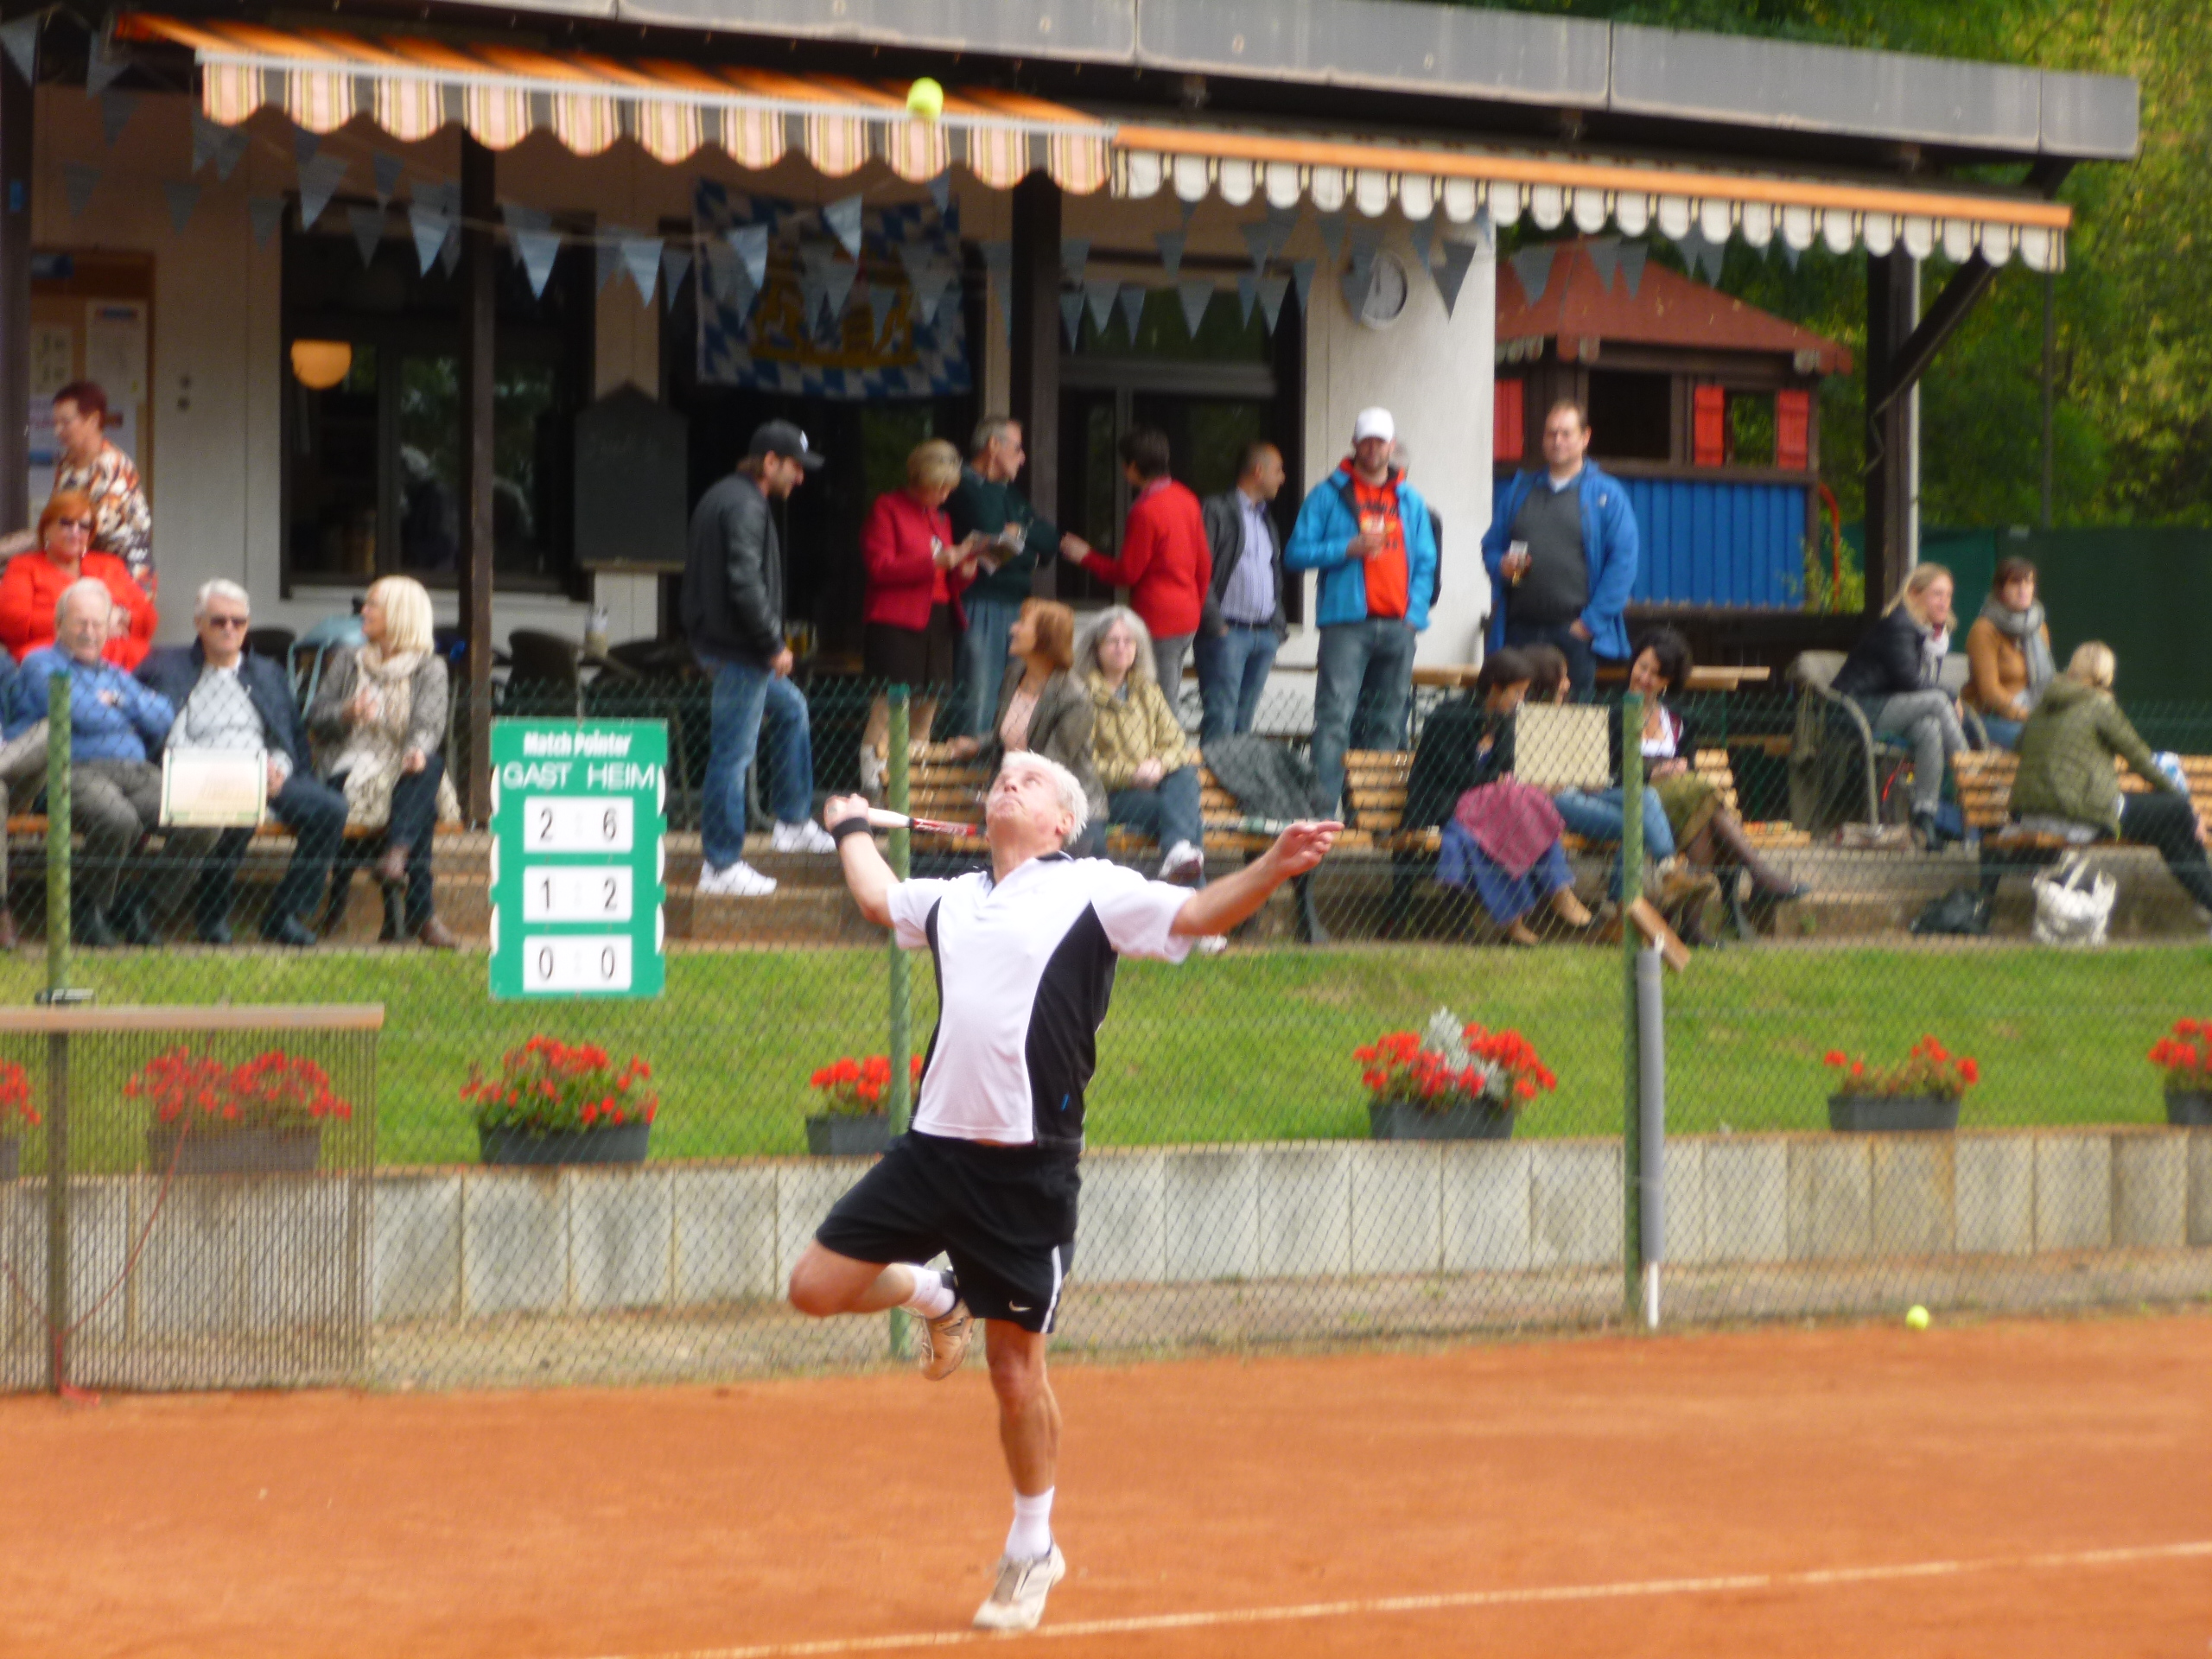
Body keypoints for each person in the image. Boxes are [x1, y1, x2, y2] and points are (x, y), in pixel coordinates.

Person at [790, 750, 1339, 1633]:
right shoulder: (956, 897)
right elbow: (877, 898)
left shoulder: (1094, 888)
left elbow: (1198, 912)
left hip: (1026, 1172)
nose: (1009, 782)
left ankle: (1032, 1545)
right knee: (814, 1287)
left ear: (1060, 823)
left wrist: (1273, 866)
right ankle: (938, 1297)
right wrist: (851, 827)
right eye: (1002, 777)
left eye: (1032, 780)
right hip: (931, 1153)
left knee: (1015, 1373)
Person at [137, 579, 347, 947]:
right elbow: (170, 738)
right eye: (219, 621)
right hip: (202, 775)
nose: (229, 628)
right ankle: (212, 914)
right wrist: (233, 773)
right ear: (199, 623)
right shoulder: (171, 669)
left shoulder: (266, 673)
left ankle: (284, 914)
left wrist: (278, 768)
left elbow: (284, 734)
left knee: (330, 809)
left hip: (266, 774)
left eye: (239, 621)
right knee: (237, 807)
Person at [680, 419, 838, 899]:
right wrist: (773, 644)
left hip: (723, 644)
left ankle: (791, 823)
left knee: (792, 710)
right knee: (732, 755)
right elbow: (745, 582)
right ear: (770, 462)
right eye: (795, 467)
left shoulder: (724, 495)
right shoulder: (746, 505)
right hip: (740, 651)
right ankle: (721, 865)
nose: (801, 478)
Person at [1286, 407, 1439, 819]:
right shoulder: (1327, 494)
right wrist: (1345, 548)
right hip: (1345, 626)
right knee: (1334, 720)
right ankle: (1320, 820)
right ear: (1355, 444)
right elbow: (1295, 553)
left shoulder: (1410, 499)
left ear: (1392, 446)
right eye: (1366, 440)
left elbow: (1426, 563)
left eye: (1380, 441)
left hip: (1398, 627)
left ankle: (1371, 819)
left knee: (1388, 724)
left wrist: (1414, 616)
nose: (1373, 448)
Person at [7, 580, 173, 945]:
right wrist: (128, 714)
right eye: (80, 622)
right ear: (59, 624)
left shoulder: (114, 675)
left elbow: (163, 716)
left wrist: (121, 703)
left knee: (198, 818)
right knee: (118, 820)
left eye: (98, 624)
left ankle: (138, 905)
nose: (90, 632)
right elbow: (79, 713)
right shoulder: (40, 663)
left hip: (135, 773)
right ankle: (88, 907)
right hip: (72, 771)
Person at [1612, 627, 1808, 937]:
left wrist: (1679, 766)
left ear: (1667, 681)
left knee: (1701, 820)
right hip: (1637, 802)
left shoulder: (1677, 720)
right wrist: (1651, 773)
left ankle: (1693, 926)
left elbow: (1689, 767)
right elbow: (1607, 773)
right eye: (1642, 667)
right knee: (1702, 797)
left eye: (1656, 673)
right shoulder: (1613, 713)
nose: (1645, 677)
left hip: (1681, 804)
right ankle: (1758, 876)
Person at [308, 575, 459, 950]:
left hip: (403, 766)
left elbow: (429, 725)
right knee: (421, 806)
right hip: (349, 767)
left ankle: (396, 858)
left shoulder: (429, 668)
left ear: (399, 614)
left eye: (373, 604)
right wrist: (348, 711)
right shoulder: (349, 660)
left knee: (428, 764)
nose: (364, 611)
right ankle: (419, 906)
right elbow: (316, 717)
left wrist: (416, 749)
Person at [2012, 642, 2212, 920]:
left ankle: (2209, 902)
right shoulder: (2099, 706)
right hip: (2078, 816)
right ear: (2108, 675)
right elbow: (2141, 759)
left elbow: (2019, 746)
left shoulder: (2044, 706)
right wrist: (2188, 808)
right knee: (2176, 810)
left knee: (2166, 832)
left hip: (2032, 816)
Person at [1481, 399, 1639, 702]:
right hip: (1519, 632)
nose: (1557, 441)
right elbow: (1491, 546)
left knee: (1573, 724)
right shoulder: (1519, 491)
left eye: (1566, 433)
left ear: (1585, 437)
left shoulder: (1607, 494)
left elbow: (1623, 564)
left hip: (1575, 635)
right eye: (1551, 433)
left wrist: (1589, 625)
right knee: (1514, 720)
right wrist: (1500, 565)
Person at [1432, 649, 1592, 945]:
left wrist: (1497, 781)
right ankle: (1545, 899)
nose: (1521, 700)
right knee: (1505, 818)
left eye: (1524, 693)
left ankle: (1539, 904)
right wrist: (1495, 781)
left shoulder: (1503, 719)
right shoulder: (1450, 715)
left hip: (1489, 806)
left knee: (1522, 811)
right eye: (1517, 693)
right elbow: (1451, 772)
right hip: (1446, 804)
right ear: (1495, 688)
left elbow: (1505, 767)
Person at [946, 418, 1092, 738]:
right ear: (993, 445)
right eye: (1017, 448)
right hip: (980, 604)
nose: (1023, 458)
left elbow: (1051, 539)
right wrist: (1026, 553)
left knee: (1011, 696)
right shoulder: (963, 487)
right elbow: (989, 536)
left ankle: (1001, 764)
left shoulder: (1010, 494)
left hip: (1017, 608)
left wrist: (1019, 533)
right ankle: (970, 766)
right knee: (978, 698)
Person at [858, 437, 981, 796]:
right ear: (919, 480)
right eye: (938, 487)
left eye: (949, 489)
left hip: (939, 619)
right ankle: (873, 786)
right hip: (896, 622)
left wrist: (965, 569)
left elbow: (946, 576)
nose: (945, 495)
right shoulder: (887, 508)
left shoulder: (940, 517)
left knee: (928, 706)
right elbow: (879, 568)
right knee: (887, 707)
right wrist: (934, 561)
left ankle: (912, 789)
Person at [947, 600, 1104, 849]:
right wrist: (977, 744)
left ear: (1045, 637)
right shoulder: (1014, 674)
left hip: (1065, 808)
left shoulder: (1075, 696)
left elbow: (1053, 764)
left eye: (1022, 624)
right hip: (1019, 797)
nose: (1013, 629)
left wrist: (1005, 794)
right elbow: (1010, 733)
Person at [1831, 563, 1969, 847]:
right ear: (1915, 594)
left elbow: (1913, 684)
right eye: (1937, 594)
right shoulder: (1900, 625)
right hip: (1858, 709)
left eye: (1948, 595)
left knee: (1929, 728)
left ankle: (1924, 820)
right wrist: (1952, 695)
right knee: (1938, 700)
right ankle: (1972, 775)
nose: (1945, 602)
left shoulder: (1930, 635)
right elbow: (1910, 680)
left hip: (1888, 704)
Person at [1071, 425, 1211, 703]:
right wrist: (1195, 605)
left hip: (1157, 620)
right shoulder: (1187, 498)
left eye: (1124, 464)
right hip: (1187, 616)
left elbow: (1128, 573)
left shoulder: (1146, 510)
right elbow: (1204, 564)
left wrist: (1086, 556)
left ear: (1133, 466)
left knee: (1158, 703)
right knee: (1160, 695)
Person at [1076, 607, 1205, 883]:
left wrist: (1158, 764)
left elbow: (1176, 743)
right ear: (1096, 648)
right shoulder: (1082, 695)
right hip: (1106, 795)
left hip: (1153, 785)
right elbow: (1083, 763)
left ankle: (1179, 858)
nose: (1121, 647)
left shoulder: (1147, 690)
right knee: (1185, 817)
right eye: (1112, 641)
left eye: (1129, 641)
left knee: (1184, 774)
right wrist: (1132, 774)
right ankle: (1193, 897)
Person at [1195, 440, 1287, 744]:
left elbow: (1273, 574)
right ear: (1258, 471)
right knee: (1221, 720)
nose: (1282, 478)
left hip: (1263, 635)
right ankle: (1212, 778)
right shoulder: (1217, 510)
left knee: (1243, 724)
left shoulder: (1265, 518)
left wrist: (1276, 628)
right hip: (1227, 633)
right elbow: (1198, 571)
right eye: (1278, 470)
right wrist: (1216, 626)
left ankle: (1234, 778)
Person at [0, 490, 156, 667]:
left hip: (127, 662)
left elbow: (148, 618)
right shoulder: (23, 566)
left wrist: (125, 617)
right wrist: (100, 623)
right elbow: (13, 628)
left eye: (84, 526)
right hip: (56, 664)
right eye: (66, 523)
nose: (75, 532)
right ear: (46, 528)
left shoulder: (110, 564)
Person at [50, 380, 154, 594]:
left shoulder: (113, 466)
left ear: (93, 420)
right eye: (55, 423)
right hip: (78, 565)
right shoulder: (66, 463)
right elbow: (54, 519)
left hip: (123, 575)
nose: (57, 431)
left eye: (66, 422)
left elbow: (87, 533)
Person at [1963, 556, 2056, 752]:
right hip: (1988, 716)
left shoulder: (2038, 626)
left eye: (2029, 582)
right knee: (2042, 743)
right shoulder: (1984, 629)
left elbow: (2047, 680)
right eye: (2015, 583)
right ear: (2000, 590)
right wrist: (2027, 716)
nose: (2023, 589)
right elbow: (1989, 692)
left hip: (2032, 712)